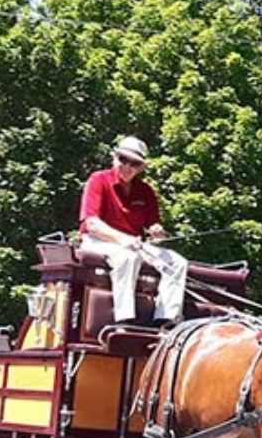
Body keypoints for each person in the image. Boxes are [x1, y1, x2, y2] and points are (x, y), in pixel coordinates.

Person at [78, 136, 188, 326]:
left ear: (141, 167)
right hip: (97, 241)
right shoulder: (98, 180)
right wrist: (122, 239)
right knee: (129, 258)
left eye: (135, 163)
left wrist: (157, 231)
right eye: (123, 160)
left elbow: (153, 225)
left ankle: (165, 320)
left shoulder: (146, 191)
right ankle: (124, 320)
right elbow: (92, 224)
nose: (128, 167)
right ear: (114, 157)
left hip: (132, 244)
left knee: (177, 263)